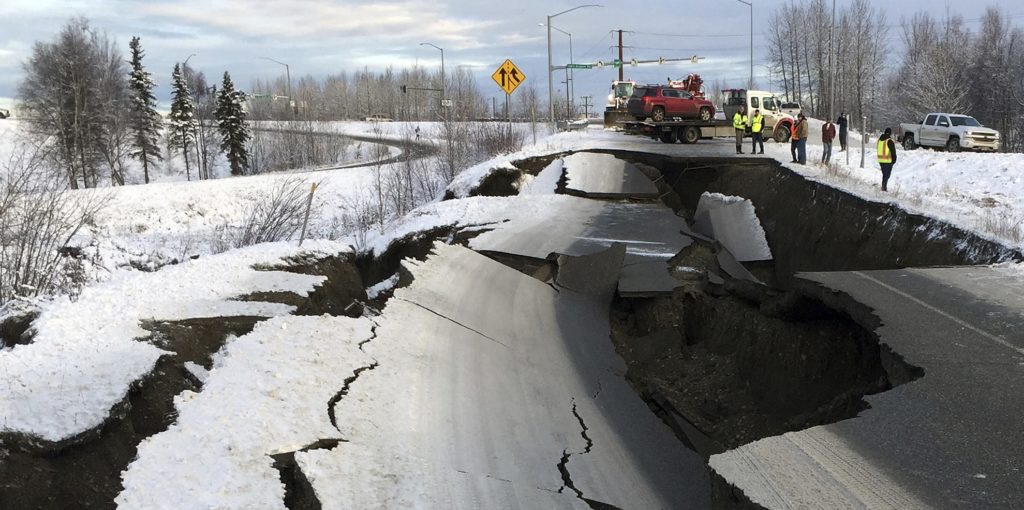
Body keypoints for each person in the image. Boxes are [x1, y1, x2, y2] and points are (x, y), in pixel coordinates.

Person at [877, 127, 897, 191]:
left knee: (885, 175)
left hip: (880, 160)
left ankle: (884, 187)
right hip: (888, 161)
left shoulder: (879, 140)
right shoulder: (889, 141)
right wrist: (894, 160)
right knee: (887, 175)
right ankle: (884, 188)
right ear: (890, 133)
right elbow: (893, 152)